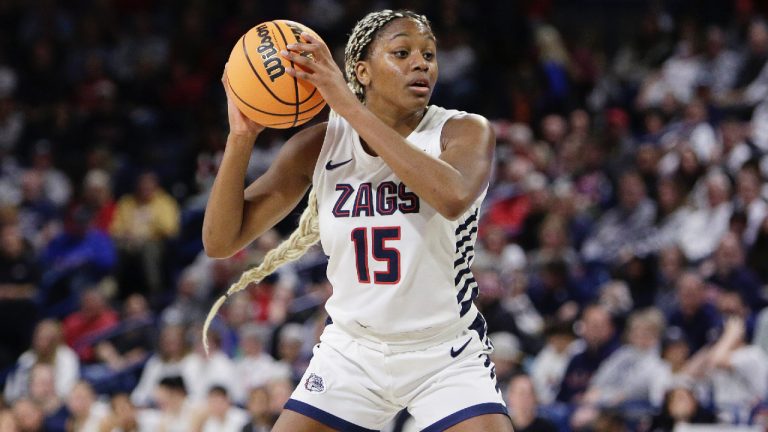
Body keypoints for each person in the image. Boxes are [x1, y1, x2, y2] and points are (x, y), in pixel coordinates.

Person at [202, 9, 511, 432]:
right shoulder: (318, 145)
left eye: (429, 54)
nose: (421, 63)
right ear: (362, 71)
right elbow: (220, 242)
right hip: (352, 352)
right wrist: (241, 138)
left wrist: (345, 103)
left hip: (445, 352)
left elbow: (453, 197)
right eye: (402, 53)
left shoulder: (462, 131)